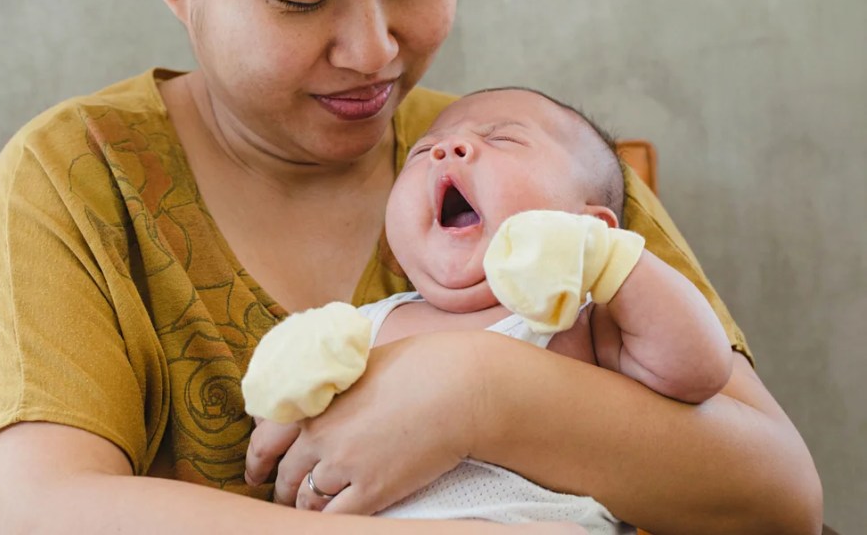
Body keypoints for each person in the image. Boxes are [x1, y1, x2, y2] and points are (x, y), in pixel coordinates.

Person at [0, 0, 822, 533]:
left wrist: (476, 389)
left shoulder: (530, 158)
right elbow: (48, 509)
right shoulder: (82, 178)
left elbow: (776, 494)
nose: (373, 50)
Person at [241, 88, 735, 532]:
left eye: (502, 139)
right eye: (421, 152)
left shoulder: (582, 319)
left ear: (590, 226)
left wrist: (609, 263)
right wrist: (288, 397)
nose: (446, 149)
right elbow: (287, 416)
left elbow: (696, 370)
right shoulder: (368, 324)